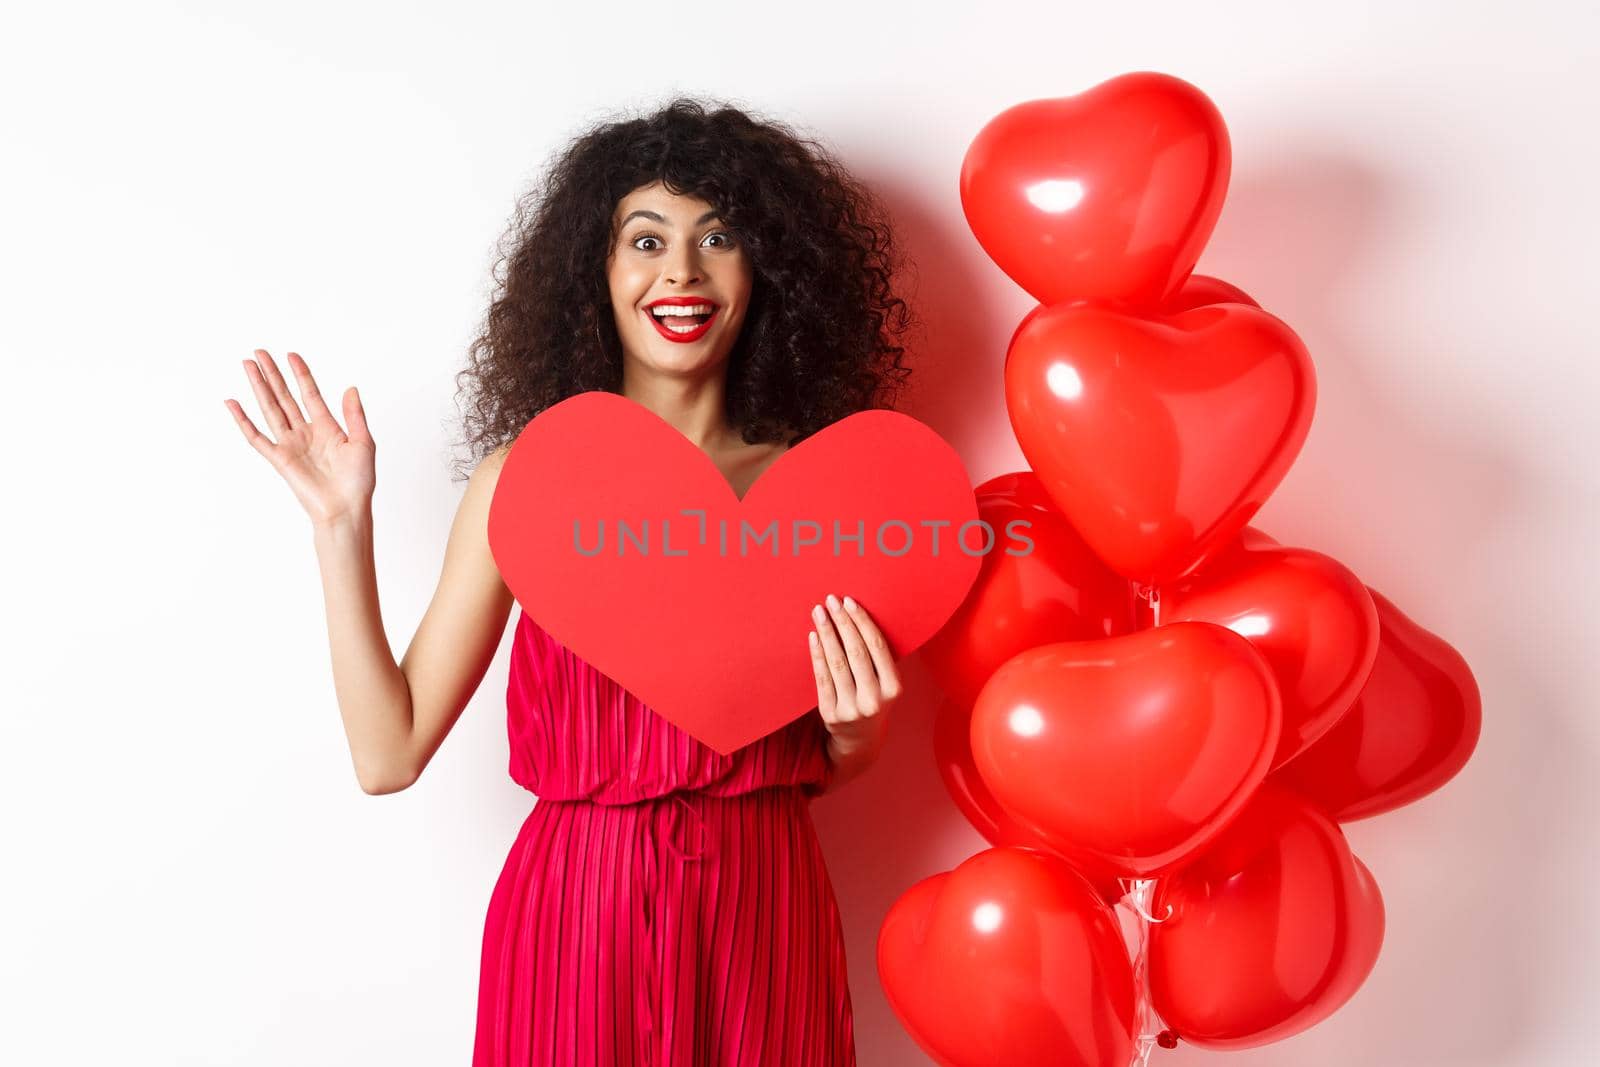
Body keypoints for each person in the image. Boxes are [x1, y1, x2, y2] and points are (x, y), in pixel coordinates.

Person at [224, 96, 916, 1065]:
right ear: (596, 270)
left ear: (766, 268)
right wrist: (343, 528)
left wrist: (858, 729)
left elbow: (829, 754)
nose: (681, 270)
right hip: (577, 915)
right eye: (646, 238)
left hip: (766, 907)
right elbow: (388, 751)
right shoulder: (528, 481)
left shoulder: (821, 488)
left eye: (717, 235)